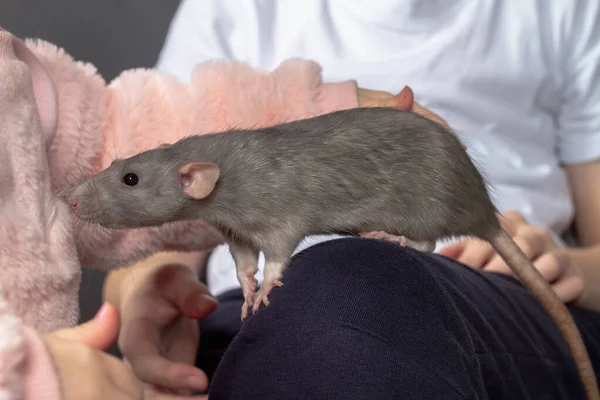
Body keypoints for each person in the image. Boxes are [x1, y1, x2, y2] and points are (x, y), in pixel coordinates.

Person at [105, 0, 600, 398]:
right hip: (246, 317)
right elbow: (155, 238)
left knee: (348, 282)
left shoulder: (560, 11)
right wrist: (142, 293)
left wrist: (566, 266)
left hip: (498, 303)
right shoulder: (233, 11)